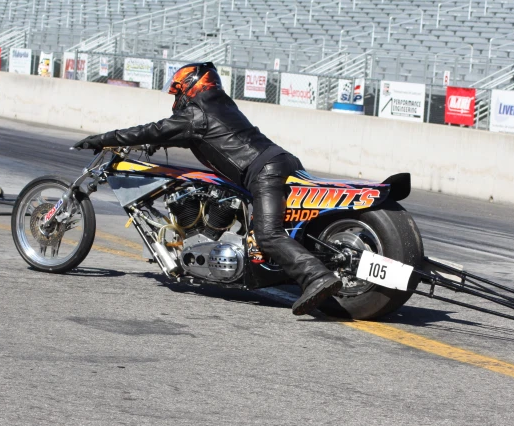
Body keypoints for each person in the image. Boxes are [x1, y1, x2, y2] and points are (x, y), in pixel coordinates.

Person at [73, 62, 342, 316]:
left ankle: (317, 276)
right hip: (281, 162)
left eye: (177, 92)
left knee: (268, 234)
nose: (176, 99)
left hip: (264, 172)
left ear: (190, 87)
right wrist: (156, 142)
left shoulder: (195, 114)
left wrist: (103, 139)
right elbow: (205, 137)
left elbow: (153, 129)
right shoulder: (219, 106)